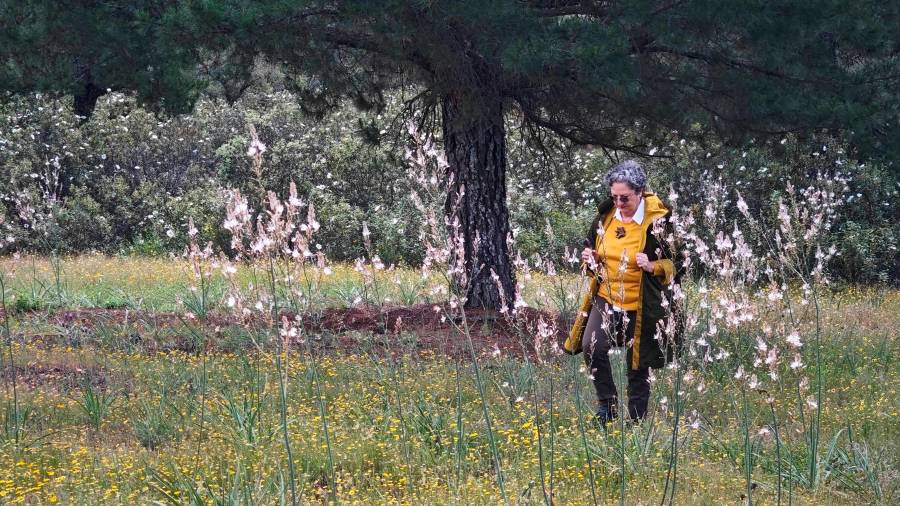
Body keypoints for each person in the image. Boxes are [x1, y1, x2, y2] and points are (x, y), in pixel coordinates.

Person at [564, 160, 682, 425]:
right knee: (591, 347)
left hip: (642, 304)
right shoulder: (605, 217)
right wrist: (589, 259)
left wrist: (653, 266)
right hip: (606, 298)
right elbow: (591, 255)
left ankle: (636, 420)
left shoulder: (659, 221)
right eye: (614, 196)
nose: (618, 202)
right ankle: (608, 407)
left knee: (638, 363)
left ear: (640, 192)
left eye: (624, 198)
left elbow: (681, 262)